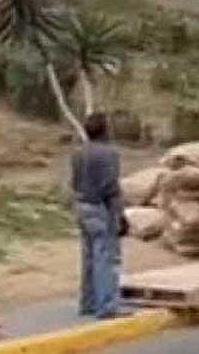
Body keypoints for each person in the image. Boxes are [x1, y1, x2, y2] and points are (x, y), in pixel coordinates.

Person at [71, 113, 127, 319]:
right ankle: (107, 306)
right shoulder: (109, 153)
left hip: (81, 205)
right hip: (100, 207)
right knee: (105, 257)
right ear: (106, 130)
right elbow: (112, 188)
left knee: (88, 257)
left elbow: (74, 183)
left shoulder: (78, 153)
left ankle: (88, 303)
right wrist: (120, 215)